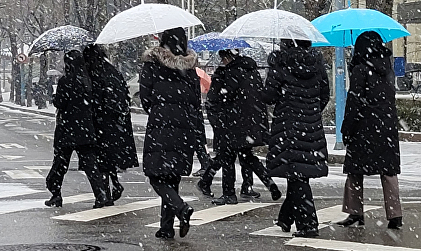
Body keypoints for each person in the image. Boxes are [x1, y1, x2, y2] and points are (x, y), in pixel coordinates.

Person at [263, 39, 329, 238]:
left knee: (297, 175)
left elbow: (269, 97)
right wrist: (311, 113)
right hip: (311, 125)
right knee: (300, 173)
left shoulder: (281, 63)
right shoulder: (317, 63)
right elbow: (324, 94)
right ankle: (286, 218)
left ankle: (308, 225)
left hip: (288, 125)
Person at [197, 49, 281, 204]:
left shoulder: (225, 74)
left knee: (226, 157)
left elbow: (215, 99)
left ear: (228, 58)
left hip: (230, 124)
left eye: (223, 59)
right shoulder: (252, 72)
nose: (222, 62)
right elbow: (258, 98)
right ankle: (268, 183)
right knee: (246, 156)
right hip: (250, 124)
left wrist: (217, 121)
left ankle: (227, 193)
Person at [337, 31, 403, 229]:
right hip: (386, 126)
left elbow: (354, 101)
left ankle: (355, 212)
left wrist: (346, 129)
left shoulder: (360, 69)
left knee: (355, 171)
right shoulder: (388, 69)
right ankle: (395, 214)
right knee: (388, 171)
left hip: (363, 127)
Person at [140, 27, 199, 239]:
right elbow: (195, 100)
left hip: (160, 124)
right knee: (172, 177)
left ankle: (181, 208)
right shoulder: (189, 66)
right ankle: (166, 227)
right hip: (184, 126)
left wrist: (159, 109)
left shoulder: (152, 64)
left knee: (156, 176)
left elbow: (145, 97)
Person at [45, 50, 107, 209]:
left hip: (67, 128)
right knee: (90, 165)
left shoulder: (66, 81)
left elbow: (60, 103)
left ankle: (56, 194)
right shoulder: (88, 81)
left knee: (60, 164)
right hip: (85, 128)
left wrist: (55, 97)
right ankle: (100, 194)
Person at [83, 44, 139, 205]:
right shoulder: (112, 71)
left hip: (102, 122)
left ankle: (105, 193)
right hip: (117, 122)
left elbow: (96, 98)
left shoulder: (95, 73)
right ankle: (112, 186)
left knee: (100, 160)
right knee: (109, 159)